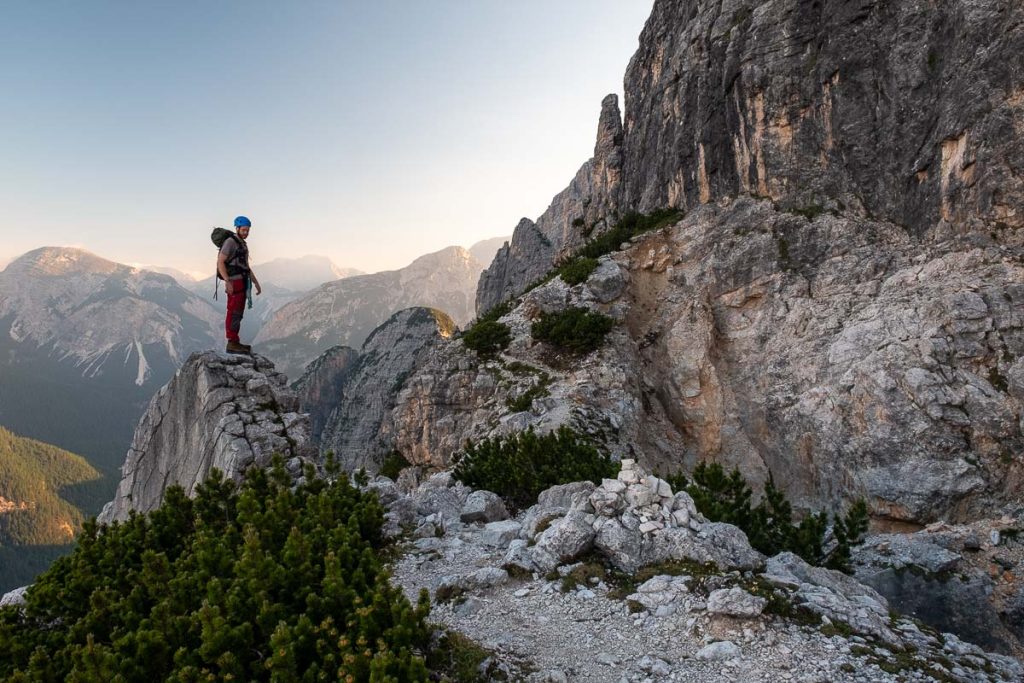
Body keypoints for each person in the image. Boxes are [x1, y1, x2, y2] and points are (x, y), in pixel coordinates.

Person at [218, 215, 262, 354]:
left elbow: (246, 266)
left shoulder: (242, 244)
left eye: (248, 230)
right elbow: (220, 262)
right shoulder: (230, 242)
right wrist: (227, 281)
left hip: (242, 281)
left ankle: (235, 341)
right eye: (244, 230)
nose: (246, 233)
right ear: (237, 228)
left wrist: (256, 282)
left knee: (238, 313)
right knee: (233, 311)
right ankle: (232, 342)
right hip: (234, 282)